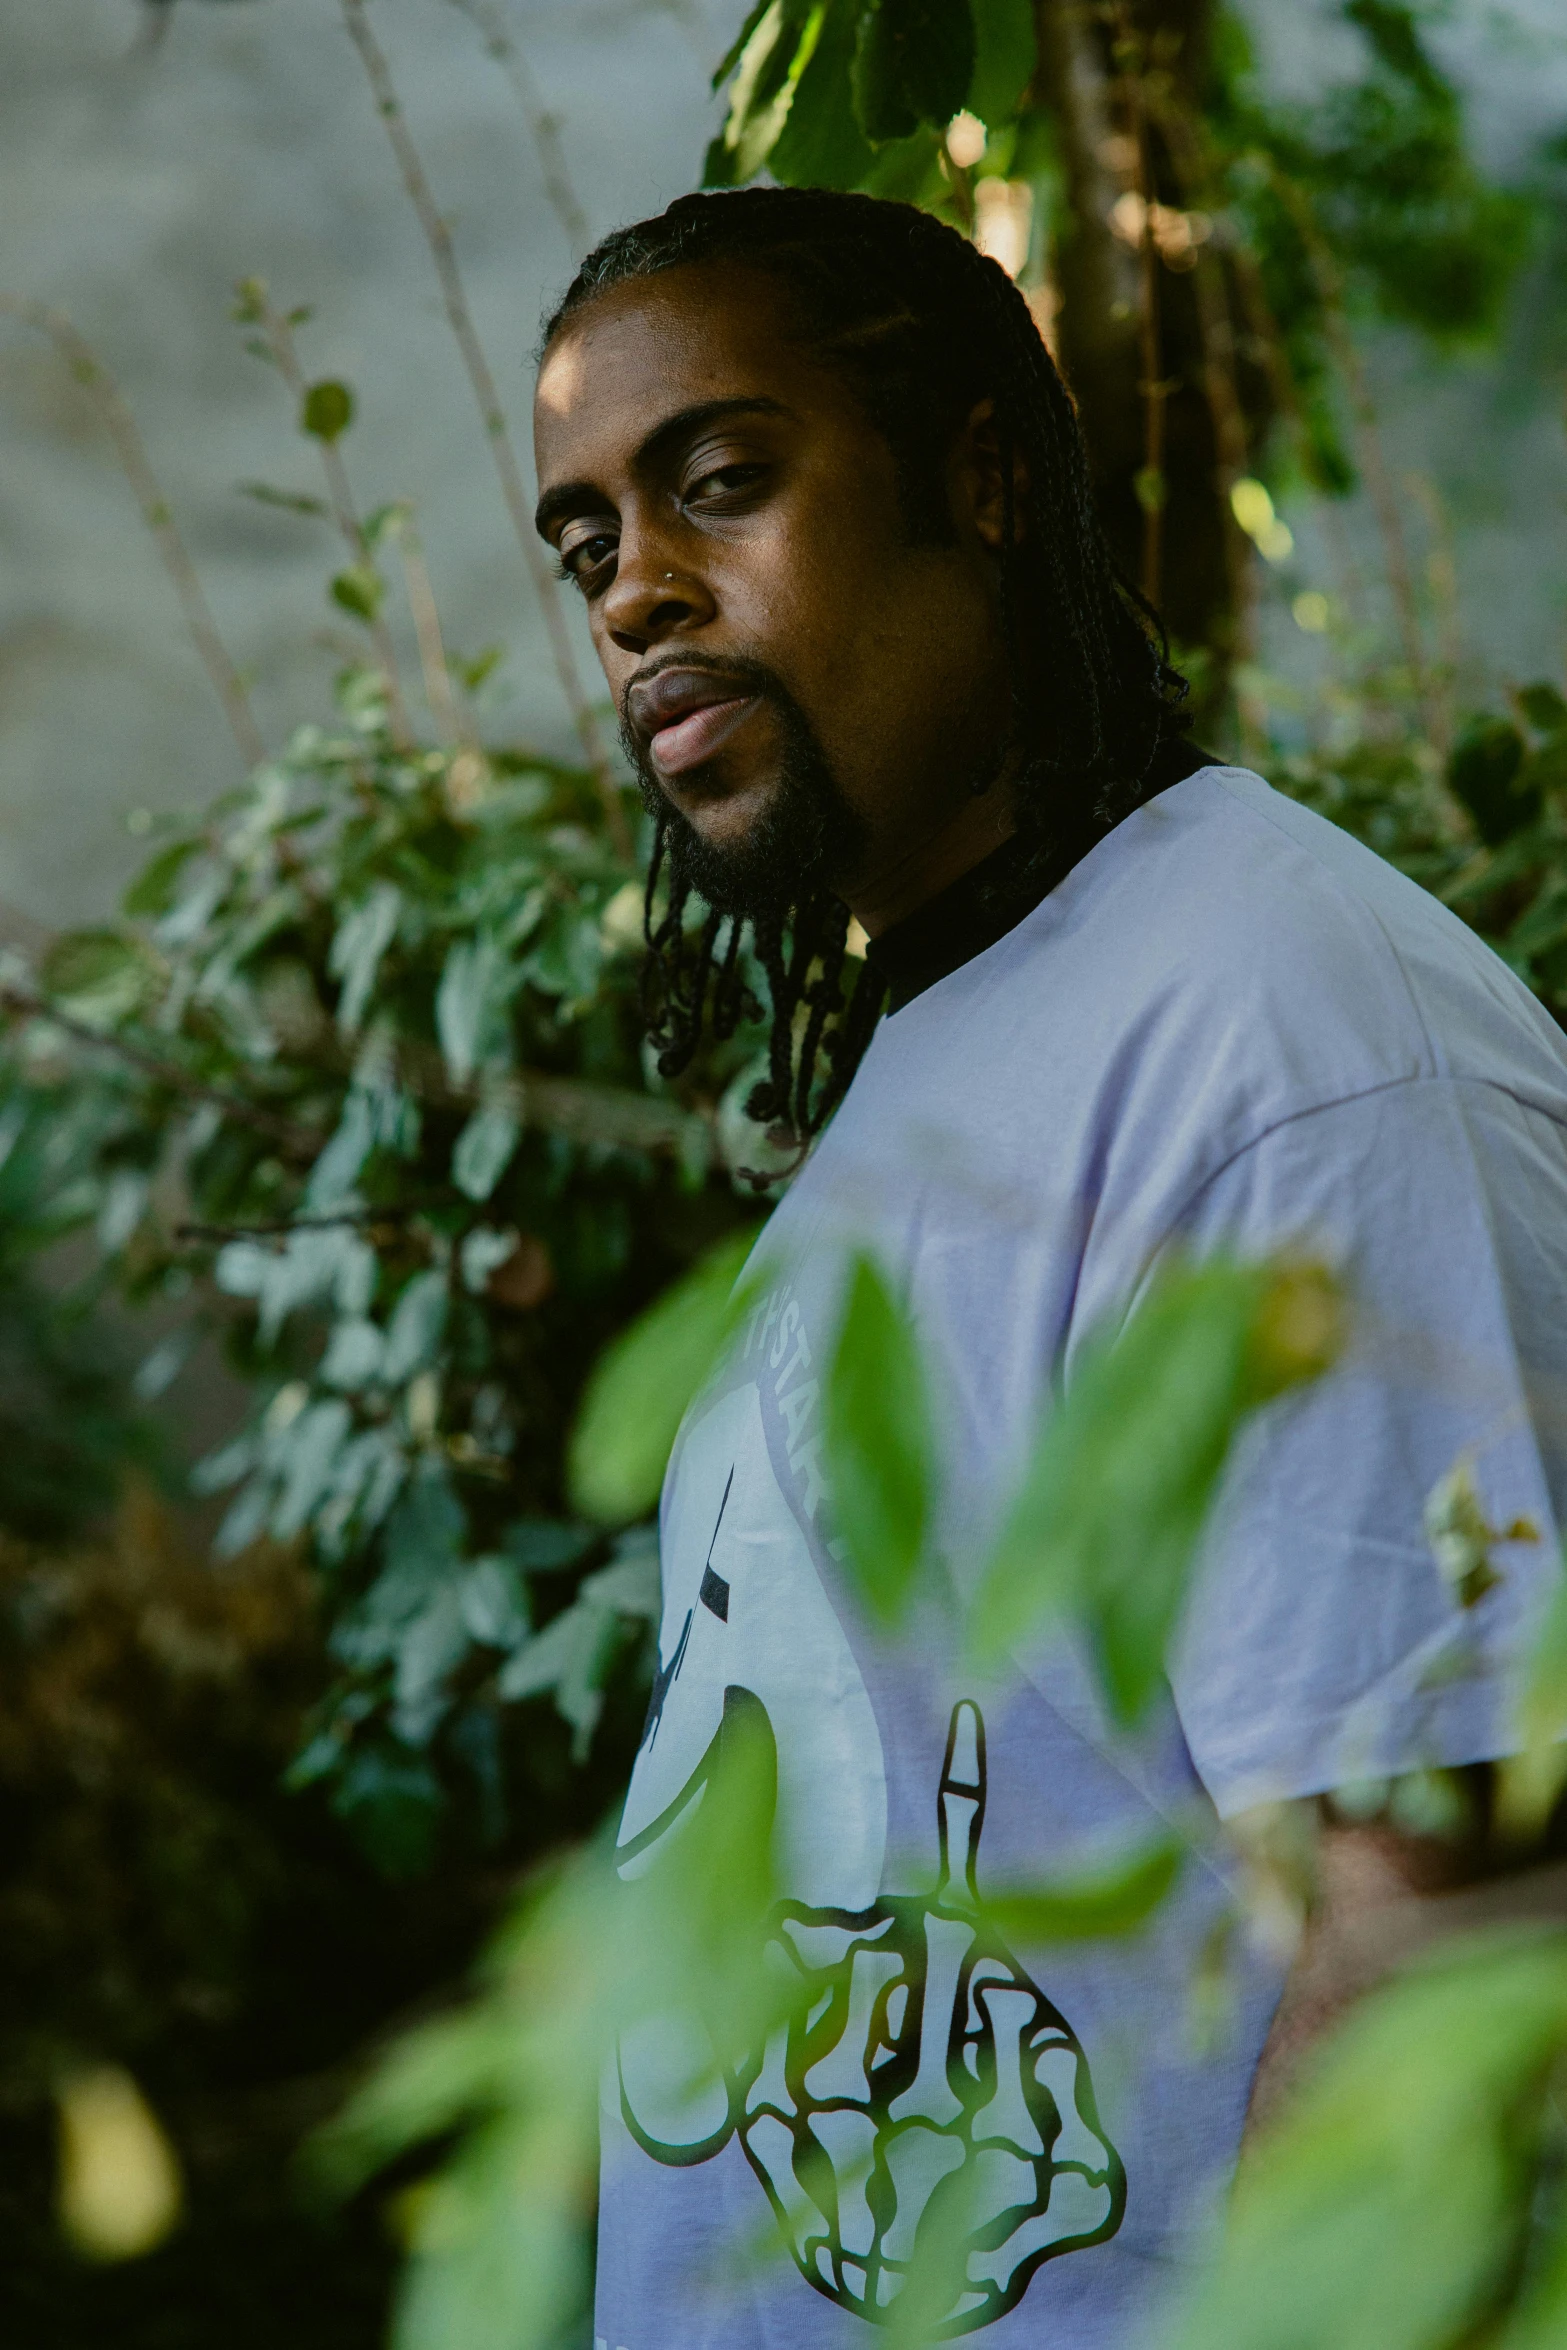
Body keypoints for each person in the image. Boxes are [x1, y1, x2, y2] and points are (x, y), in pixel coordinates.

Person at [533, 186, 1567, 2349]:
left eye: (720, 480)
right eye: (586, 540)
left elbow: (1453, 1896)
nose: (635, 590)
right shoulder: (965, 1032)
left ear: (982, 480)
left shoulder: (1279, 1030)